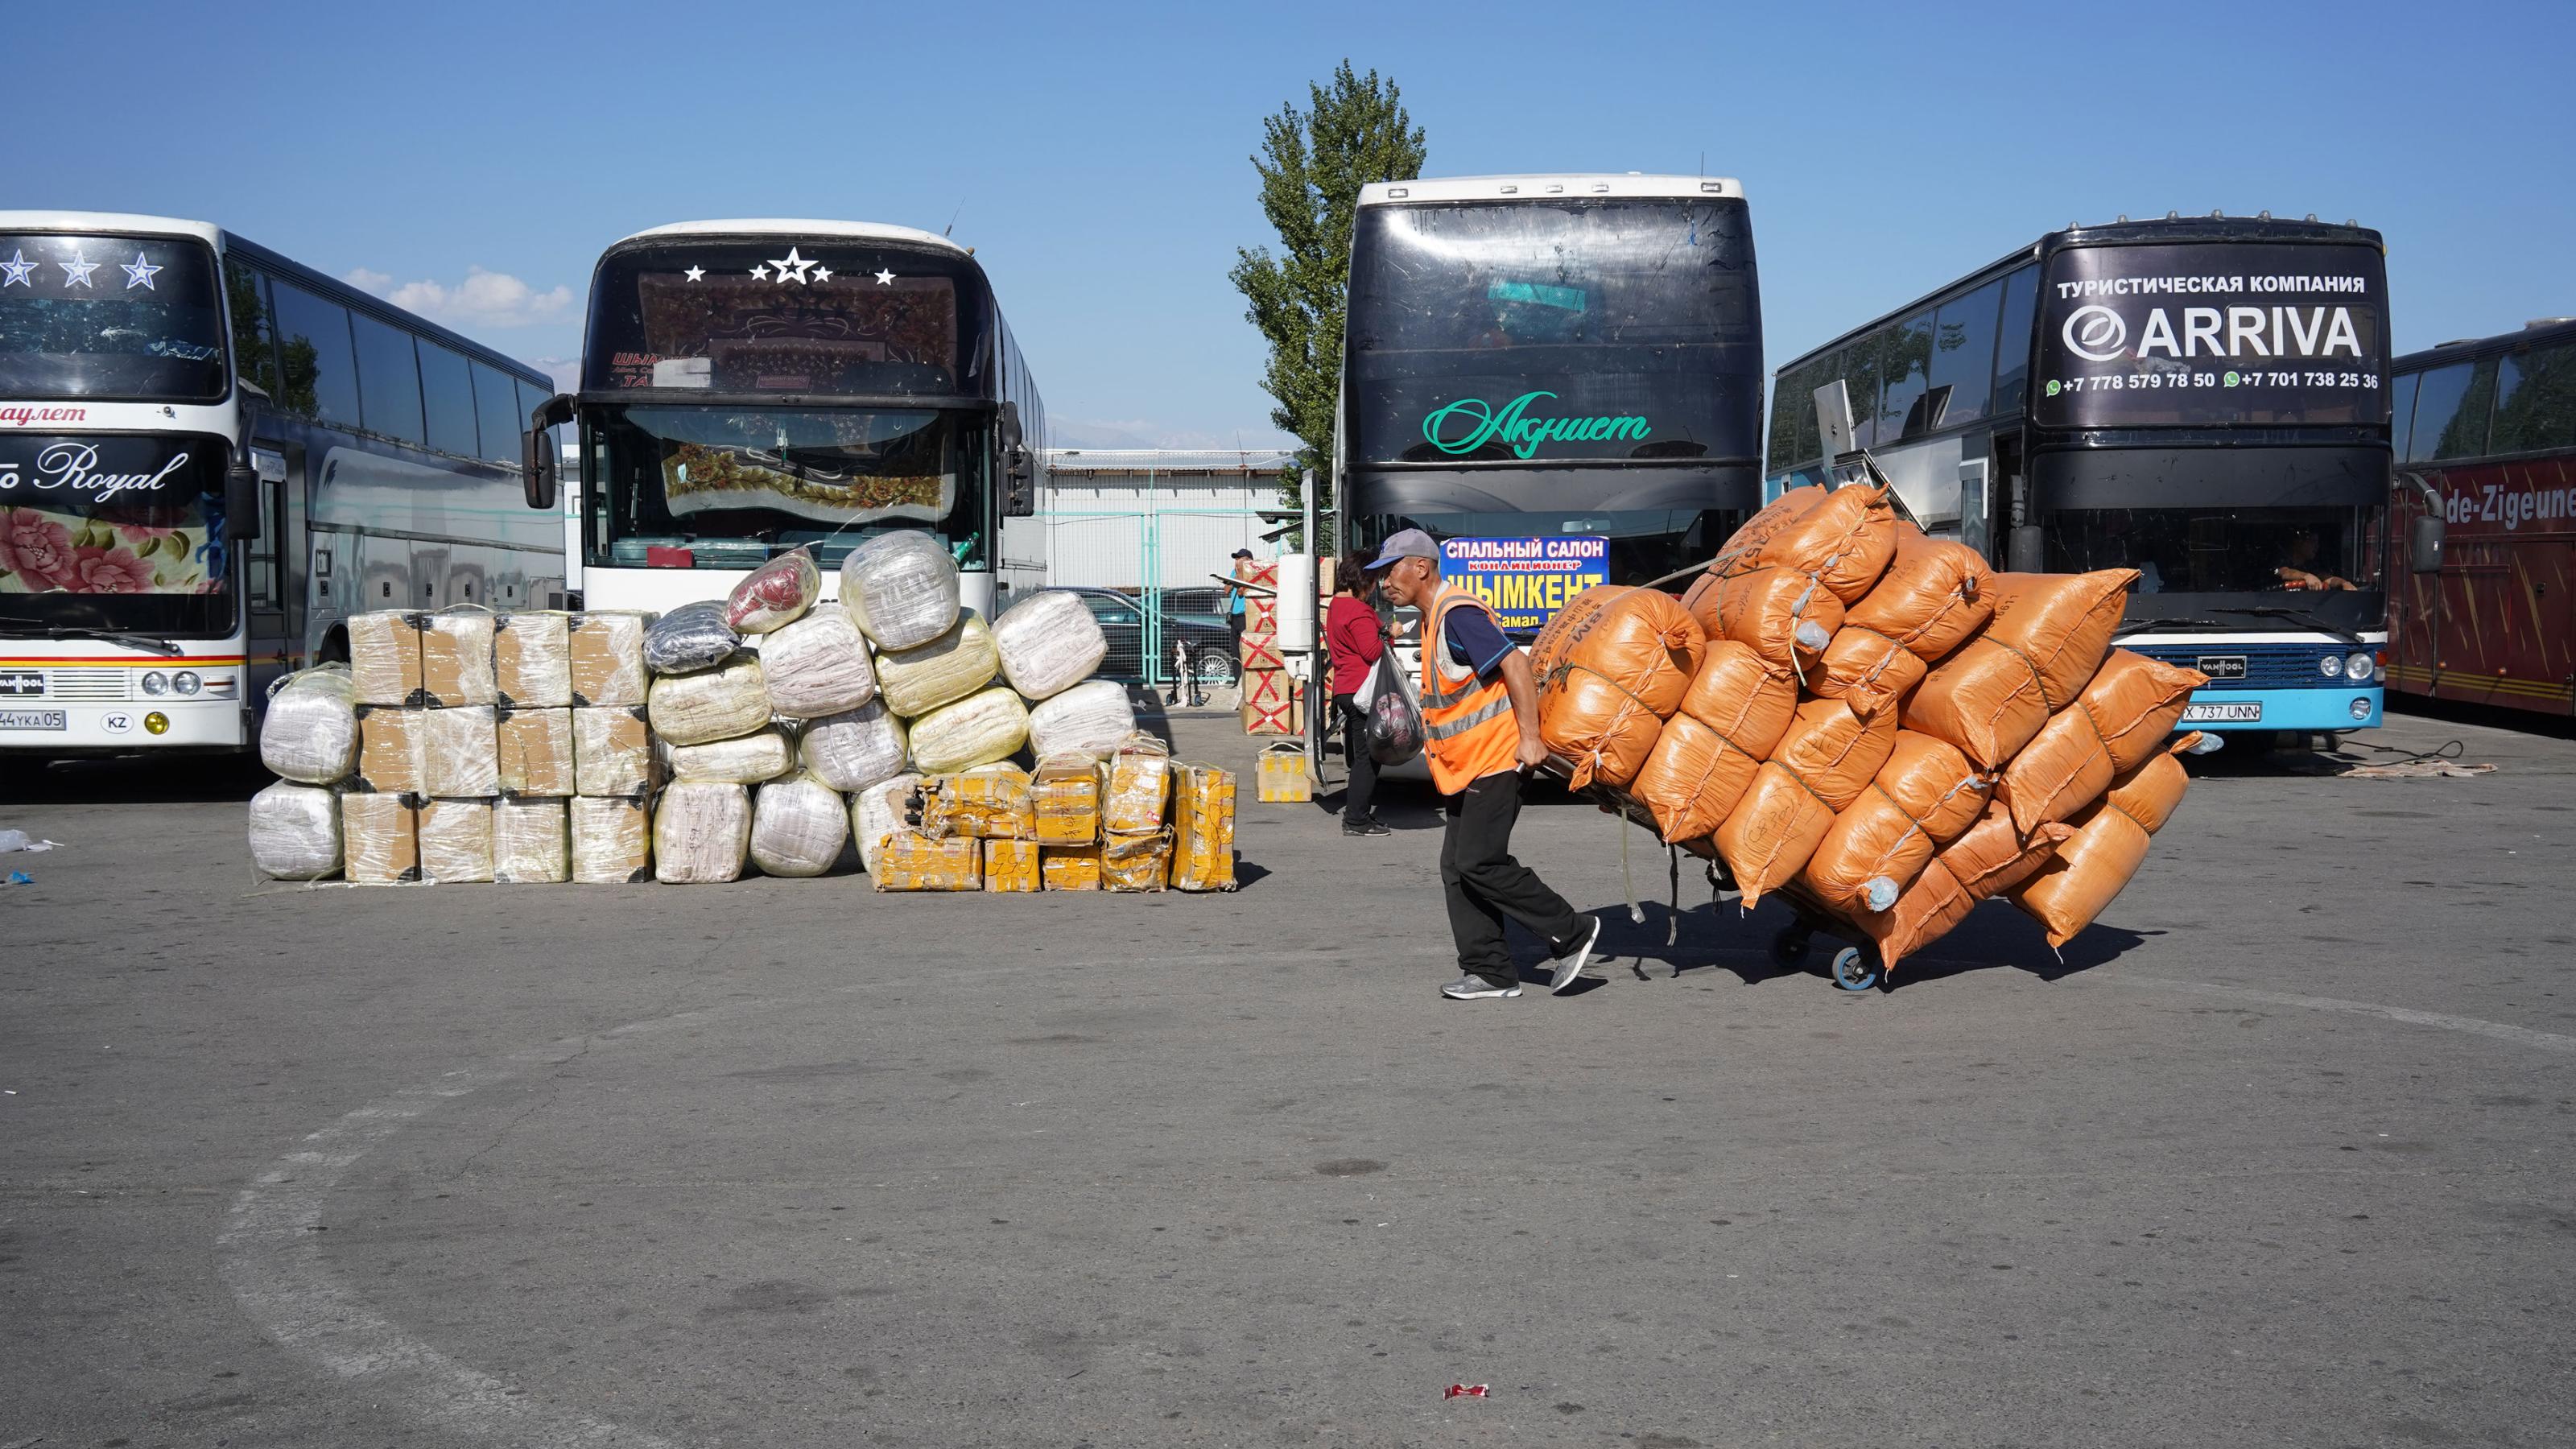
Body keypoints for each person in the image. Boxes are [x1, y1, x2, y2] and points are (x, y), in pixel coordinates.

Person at [1364, 529, 1602, 1000]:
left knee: (1478, 861)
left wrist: (1531, 739)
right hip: (1465, 766)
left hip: (1497, 760)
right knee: (1456, 865)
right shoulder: (1435, 620)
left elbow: (1515, 665)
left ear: (1420, 567)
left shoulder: (1458, 614)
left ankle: (1571, 932)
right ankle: (1490, 971)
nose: (1383, 584)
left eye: (1389, 572)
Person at [1326, 552, 1390, 836]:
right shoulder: (1359, 610)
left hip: (1344, 687)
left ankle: (1359, 815)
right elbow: (1371, 651)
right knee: (1367, 758)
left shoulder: (1335, 606)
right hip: (1361, 690)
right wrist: (1390, 633)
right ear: (1363, 579)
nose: (1375, 586)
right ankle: (1356, 820)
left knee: (1363, 756)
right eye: (1374, 580)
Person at [2276, 529, 2355, 592]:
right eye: (2313, 541)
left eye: (2317, 542)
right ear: (2299, 542)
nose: (2317, 546)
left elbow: (2328, 578)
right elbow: (2284, 572)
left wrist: (2344, 583)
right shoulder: (2282, 559)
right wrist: (2306, 576)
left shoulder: (2311, 565)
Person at [1224, 547, 1256, 663]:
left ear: (1248, 560)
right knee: (1235, 650)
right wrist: (1236, 575)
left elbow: (1241, 592)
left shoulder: (1251, 573)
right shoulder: (1234, 573)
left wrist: (1240, 573)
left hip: (1245, 615)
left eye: (1239, 558)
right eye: (1236, 559)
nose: (1237, 561)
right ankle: (1237, 677)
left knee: (1245, 648)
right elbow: (1226, 590)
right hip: (1234, 616)